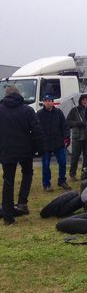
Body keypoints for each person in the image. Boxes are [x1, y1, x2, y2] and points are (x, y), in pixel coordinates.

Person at [0, 85, 43, 225]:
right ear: (19, 95)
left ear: (6, 95)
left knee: (8, 181)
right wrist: (39, 149)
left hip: (5, 150)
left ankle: (8, 217)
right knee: (27, 174)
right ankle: (22, 202)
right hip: (25, 149)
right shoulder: (27, 110)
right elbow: (37, 131)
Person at [37, 95, 71, 192]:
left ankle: (62, 181)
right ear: (43, 102)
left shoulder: (58, 112)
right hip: (45, 144)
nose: (48, 102)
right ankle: (46, 184)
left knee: (63, 162)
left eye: (50, 101)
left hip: (58, 143)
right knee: (46, 165)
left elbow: (64, 126)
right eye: (46, 101)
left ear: (53, 102)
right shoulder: (39, 114)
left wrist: (67, 137)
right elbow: (36, 128)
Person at [66, 94, 87, 181]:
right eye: (83, 100)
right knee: (75, 156)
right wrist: (77, 123)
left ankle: (85, 174)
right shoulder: (74, 110)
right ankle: (72, 174)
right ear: (80, 101)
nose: (85, 101)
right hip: (77, 137)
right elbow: (68, 122)